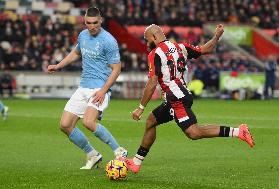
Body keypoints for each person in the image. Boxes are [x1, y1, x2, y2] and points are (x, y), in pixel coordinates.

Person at [124, 24, 255, 174]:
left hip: (176, 99)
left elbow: (152, 82)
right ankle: (135, 163)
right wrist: (217, 36)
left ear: (154, 37)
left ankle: (238, 131)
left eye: (147, 40)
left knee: (194, 133)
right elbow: (205, 49)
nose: (147, 44)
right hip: (176, 96)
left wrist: (140, 107)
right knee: (151, 121)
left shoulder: (155, 54)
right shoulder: (181, 47)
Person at [47, 7, 127, 169]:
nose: (92, 26)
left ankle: (119, 151)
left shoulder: (109, 41)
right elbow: (76, 53)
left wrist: (104, 90)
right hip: (83, 87)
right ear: (85, 22)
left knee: (88, 122)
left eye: (95, 23)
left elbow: (116, 69)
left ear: (101, 20)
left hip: (99, 88)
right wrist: (58, 65)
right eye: (88, 23)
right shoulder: (83, 35)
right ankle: (93, 154)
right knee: (65, 125)